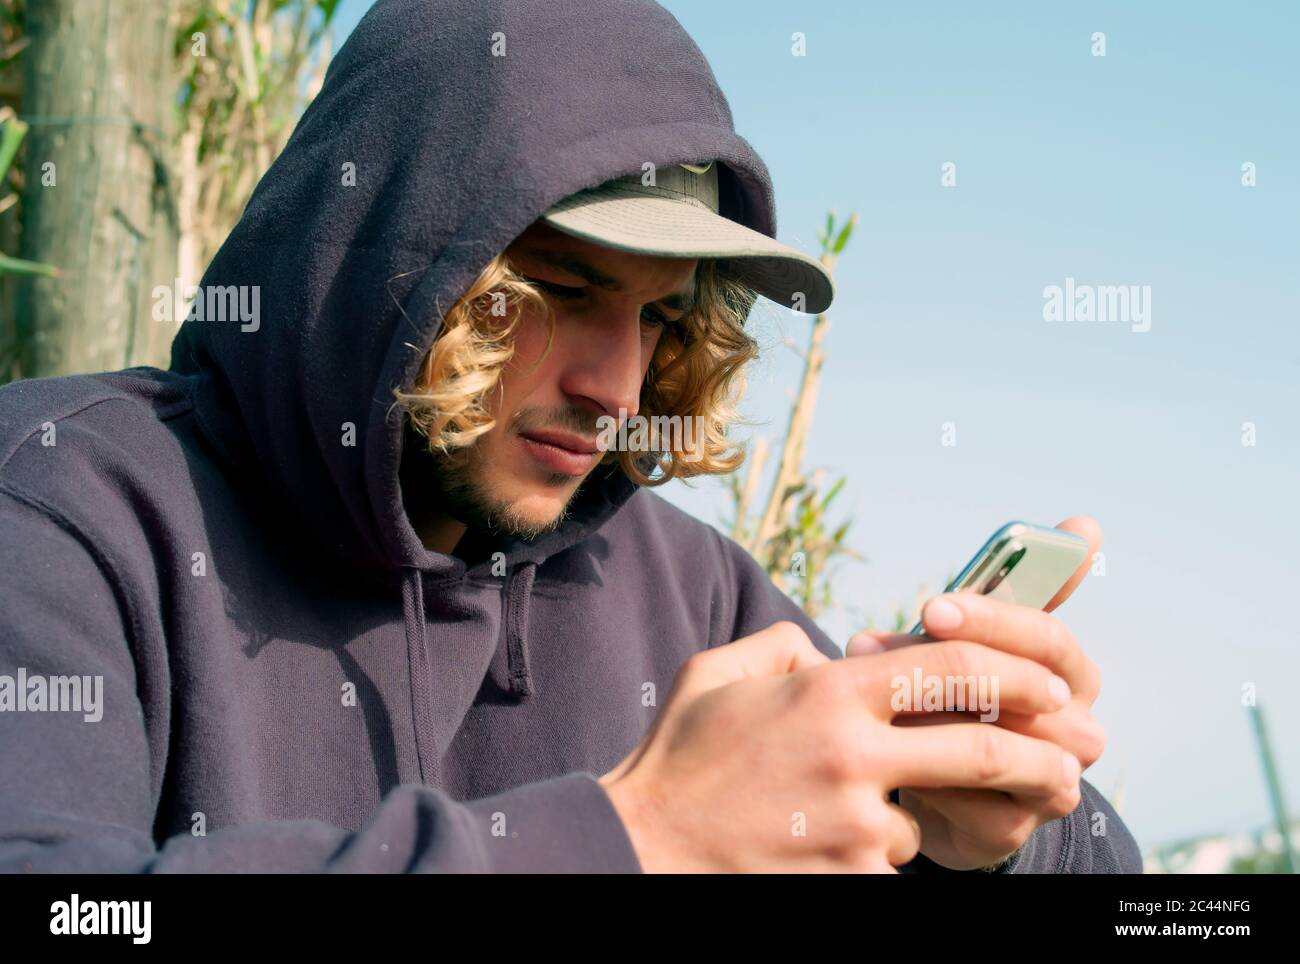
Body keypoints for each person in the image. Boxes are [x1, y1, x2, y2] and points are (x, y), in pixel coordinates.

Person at [0, 0, 1139, 873]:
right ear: (384, 250)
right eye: (555, 288)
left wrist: (971, 828)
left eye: (659, 314)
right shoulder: (63, 506)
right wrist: (632, 836)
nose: (618, 382)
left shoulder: (683, 588)